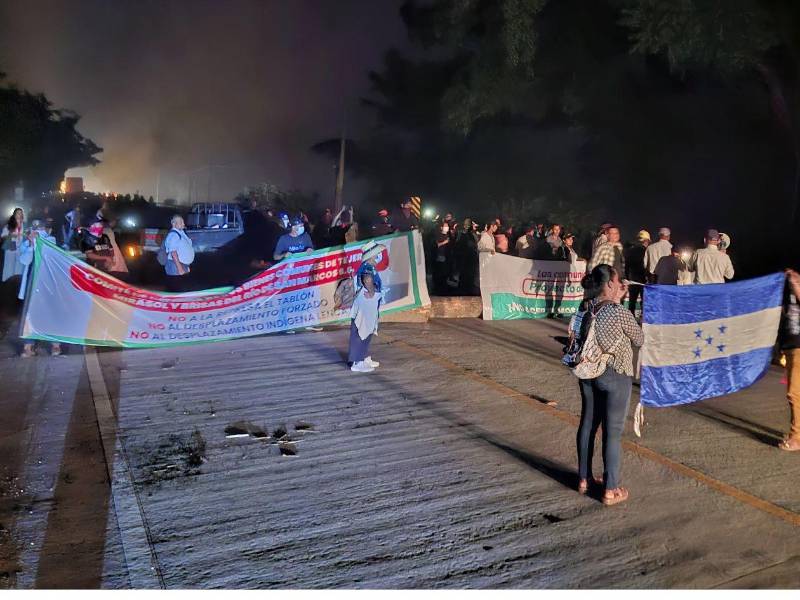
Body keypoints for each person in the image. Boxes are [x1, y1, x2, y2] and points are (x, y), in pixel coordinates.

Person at [575, 264, 643, 505]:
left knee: (587, 424)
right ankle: (611, 489)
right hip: (615, 374)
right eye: (617, 282)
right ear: (610, 284)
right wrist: (621, 301)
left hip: (587, 372)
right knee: (612, 432)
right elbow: (639, 338)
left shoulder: (584, 307)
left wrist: (619, 297)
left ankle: (584, 479)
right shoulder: (618, 311)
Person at [18, 220, 61, 357]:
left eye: (40, 228)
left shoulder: (50, 240)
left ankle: (55, 345)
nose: (37, 231)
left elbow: (50, 254)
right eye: (35, 229)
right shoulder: (26, 244)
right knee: (30, 313)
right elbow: (25, 260)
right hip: (32, 281)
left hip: (47, 281)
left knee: (51, 311)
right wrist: (31, 244)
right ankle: (28, 346)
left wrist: (38, 241)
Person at [349, 263, 383, 373]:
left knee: (367, 330)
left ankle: (363, 356)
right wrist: (372, 291)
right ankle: (357, 361)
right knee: (361, 330)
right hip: (366, 300)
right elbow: (367, 278)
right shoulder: (368, 266)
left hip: (368, 301)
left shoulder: (369, 265)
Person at [780, 269, 800, 451]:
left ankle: (797, 437)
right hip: (791, 346)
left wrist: (796, 284)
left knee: (795, 394)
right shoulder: (788, 294)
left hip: (799, 347)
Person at [163, 215, 195, 291]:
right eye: (181, 222)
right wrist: (180, 268)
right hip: (175, 268)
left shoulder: (180, 233)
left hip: (181, 266)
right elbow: (173, 253)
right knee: (176, 291)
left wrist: (186, 267)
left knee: (181, 290)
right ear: (173, 224)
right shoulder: (173, 234)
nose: (183, 224)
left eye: (183, 222)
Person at [624, 230, 650, 315]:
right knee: (645, 301)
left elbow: (626, 266)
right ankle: (644, 320)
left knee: (632, 301)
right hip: (643, 280)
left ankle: (630, 319)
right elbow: (647, 266)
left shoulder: (630, 251)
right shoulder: (647, 251)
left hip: (632, 280)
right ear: (646, 241)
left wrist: (628, 278)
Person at [2, 207, 25, 282]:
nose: (20, 214)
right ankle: (7, 282)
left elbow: (24, 236)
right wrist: (11, 235)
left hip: (20, 248)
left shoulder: (24, 225)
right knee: (9, 265)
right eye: (18, 213)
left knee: (19, 266)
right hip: (11, 246)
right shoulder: (9, 224)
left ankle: (16, 283)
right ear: (14, 214)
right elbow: (3, 236)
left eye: (21, 213)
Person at [432, 220, 452, 294]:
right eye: (445, 226)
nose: (447, 228)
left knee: (445, 273)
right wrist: (445, 242)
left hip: (447, 257)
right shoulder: (438, 235)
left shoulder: (448, 235)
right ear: (441, 227)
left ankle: (444, 287)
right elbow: (437, 245)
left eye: (447, 226)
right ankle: (438, 288)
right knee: (440, 272)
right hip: (440, 256)